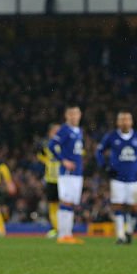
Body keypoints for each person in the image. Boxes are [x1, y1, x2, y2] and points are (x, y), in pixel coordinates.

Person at [97, 111, 137, 244]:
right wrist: (105, 166)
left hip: (134, 178)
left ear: (131, 122)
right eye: (122, 120)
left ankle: (129, 231)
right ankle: (120, 236)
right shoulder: (111, 136)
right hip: (117, 178)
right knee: (118, 206)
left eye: (127, 119)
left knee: (134, 207)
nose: (125, 122)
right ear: (118, 122)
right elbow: (99, 151)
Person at [48, 104, 85, 244]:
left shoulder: (78, 130)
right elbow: (52, 145)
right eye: (72, 114)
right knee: (66, 202)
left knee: (71, 203)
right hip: (67, 172)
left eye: (77, 114)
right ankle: (63, 235)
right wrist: (63, 160)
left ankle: (67, 234)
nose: (74, 116)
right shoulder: (64, 129)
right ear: (67, 116)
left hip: (77, 172)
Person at [36, 124, 61, 238]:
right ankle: (56, 229)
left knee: (63, 205)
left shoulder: (65, 145)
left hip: (63, 179)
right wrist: (47, 162)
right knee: (52, 205)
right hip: (51, 179)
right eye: (54, 131)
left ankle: (63, 229)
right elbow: (39, 155)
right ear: (50, 133)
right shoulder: (47, 147)